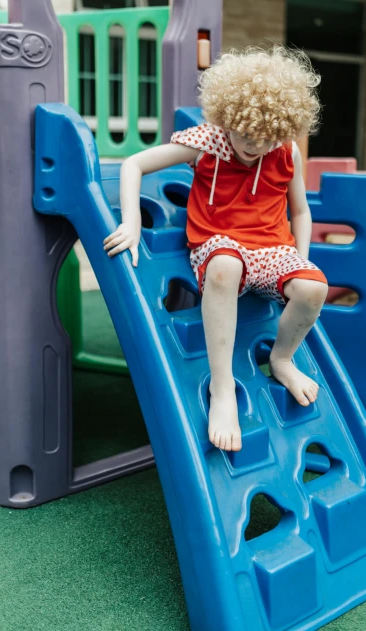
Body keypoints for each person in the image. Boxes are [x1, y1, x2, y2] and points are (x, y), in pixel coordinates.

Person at [103, 45, 328, 453]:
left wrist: (301, 257)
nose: (255, 147)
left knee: (314, 288)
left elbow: (301, 211)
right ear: (228, 118)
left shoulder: (285, 151)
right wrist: (131, 223)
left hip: (270, 247)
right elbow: (132, 164)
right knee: (225, 264)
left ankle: (282, 359)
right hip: (219, 241)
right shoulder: (208, 143)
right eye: (246, 135)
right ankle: (222, 391)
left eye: (266, 138)